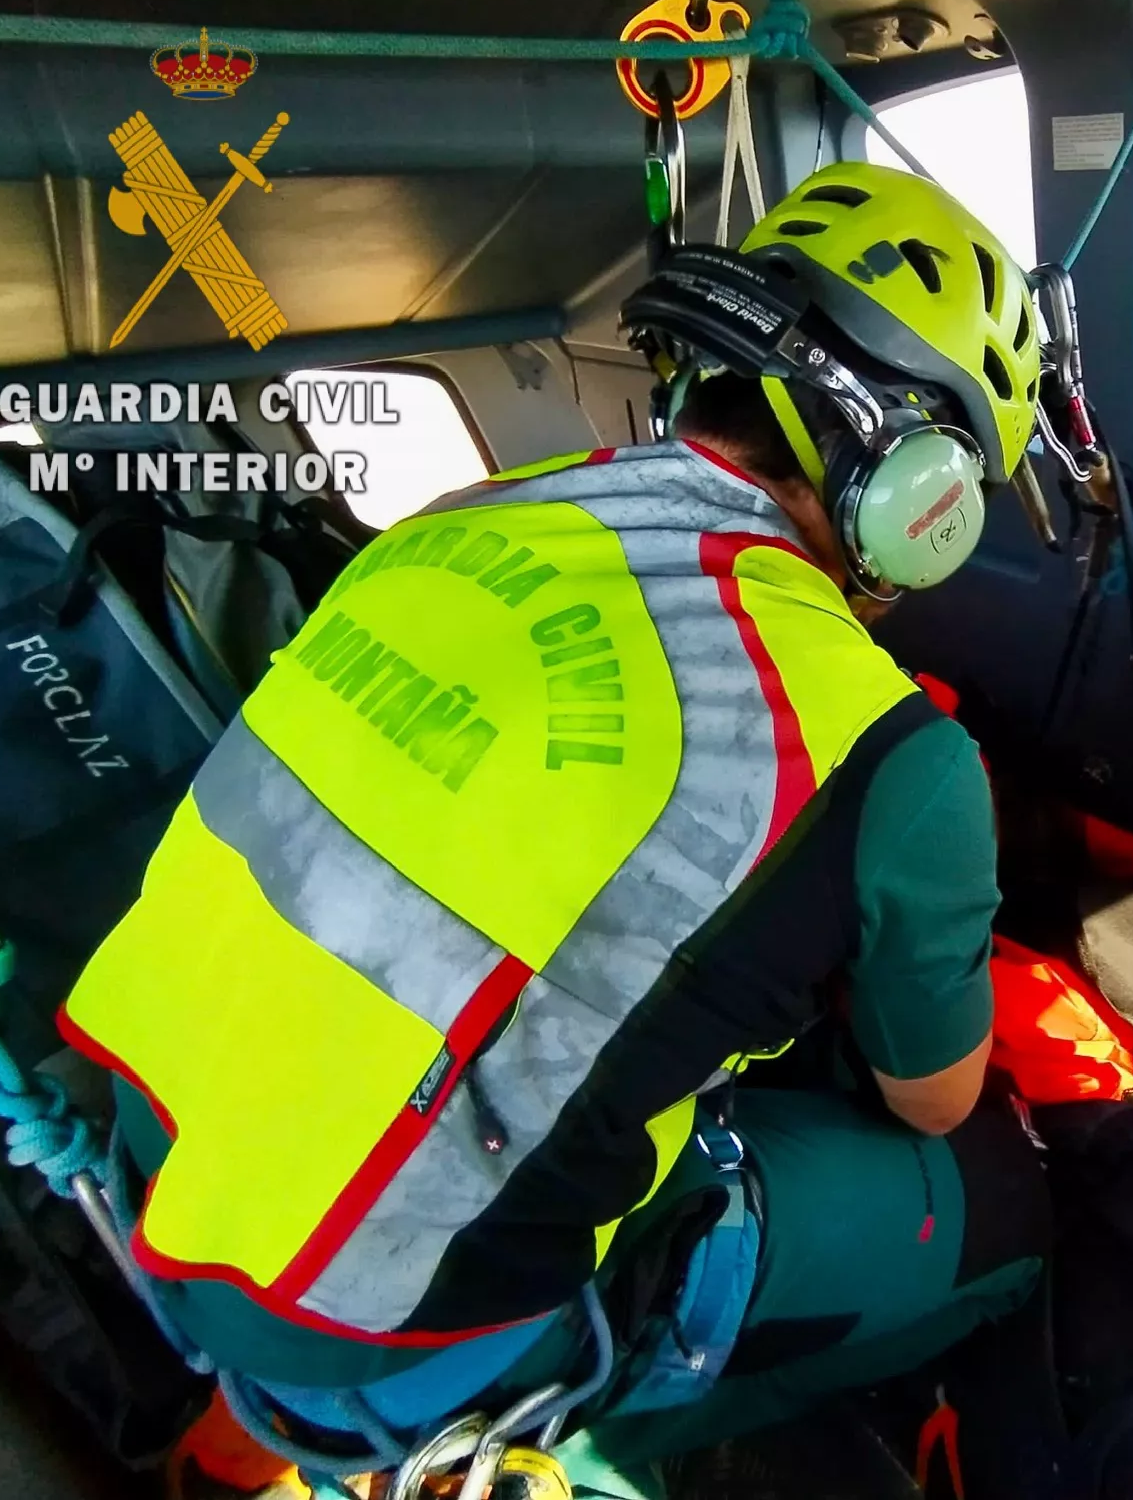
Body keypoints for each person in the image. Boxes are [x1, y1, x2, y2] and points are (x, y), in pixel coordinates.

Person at [59, 161, 1051, 1470]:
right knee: (1000, 1199)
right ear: (920, 478)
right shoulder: (897, 753)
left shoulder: (448, 523)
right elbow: (933, 1093)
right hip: (372, 1334)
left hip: (148, 1180)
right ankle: (643, 1409)